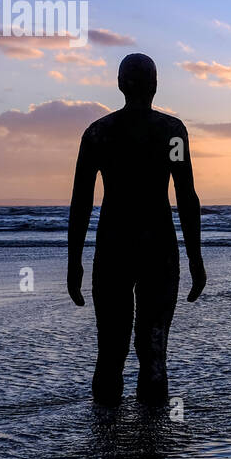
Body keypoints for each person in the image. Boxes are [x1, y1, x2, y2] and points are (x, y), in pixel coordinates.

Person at [67, 53, 207, 406]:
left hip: (113, 246)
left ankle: (105, 438)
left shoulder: (98, 133)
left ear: (119, 85)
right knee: (154, 351)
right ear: (155, 85)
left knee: (110, 352)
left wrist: (75, 261)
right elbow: (186, 196)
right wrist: (195, 258)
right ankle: (153, 446)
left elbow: (81, 203)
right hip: (158, 247)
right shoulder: (172, 132)